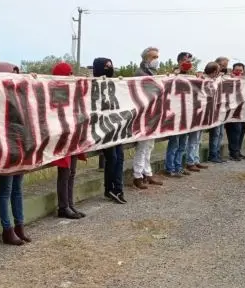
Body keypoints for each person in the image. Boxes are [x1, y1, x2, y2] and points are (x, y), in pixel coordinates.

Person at [0, 61, 32, 245]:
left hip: (19, 147)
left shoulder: (19, 95)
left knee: (17, 190)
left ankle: (19, 226)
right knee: (6, 190)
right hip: (6, 149)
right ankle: (7, 229)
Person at [50, 62, 89, 218]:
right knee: (65, 172)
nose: (71, 76)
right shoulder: (56, 93)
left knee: (71, 172)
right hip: (63, 137)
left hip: (72, 136)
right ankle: (63, 206)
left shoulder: (71, 91)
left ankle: (70, 204)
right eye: (69, 73)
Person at [94, 57, 127, 204]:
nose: (110, 68)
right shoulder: (94, 85)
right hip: (103, 127)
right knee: (112, 157)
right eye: (107, 66)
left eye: (111, 65)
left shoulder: (115, 84)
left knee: (119, 156)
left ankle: (118, 189)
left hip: (116, 126)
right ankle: (109, 188)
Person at [132, 47, 164, 189]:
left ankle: (147, 172)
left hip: (153, 114)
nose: (156, 60)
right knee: (143, 146)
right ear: (146, 59)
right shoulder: (140, 73)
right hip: (143, 115)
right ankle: (137, 175)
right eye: (153, 57)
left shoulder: (153, 73)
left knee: (149, 146)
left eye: (157, 56)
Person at [164, 52, 193, 178]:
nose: (188, 63)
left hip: (186, 116)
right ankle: (170, 168)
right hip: (175, 115)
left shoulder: (190, 77)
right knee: (174, 144)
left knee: (182, 144)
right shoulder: (173, 74)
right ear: (180, 61)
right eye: (186, 60)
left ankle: (178, 166)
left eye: (189, 60)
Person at [185, 63, 218, 172]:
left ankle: (196, 160)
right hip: (197, 113)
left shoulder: (211, 81)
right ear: (214, 71)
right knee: (193, 139)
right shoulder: (201, 79)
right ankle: (190, 161)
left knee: (198, 139)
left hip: (203, 113)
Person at [207, 57, 230, 163]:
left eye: (225, 66)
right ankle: (213, 154)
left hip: (222, 109)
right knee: (215, 133)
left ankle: (217, 153)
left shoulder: (224, 77)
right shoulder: (212, 77)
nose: (223, 68)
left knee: (220, 133)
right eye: (222, 66)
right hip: (214, 110)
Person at [224, 62, 245, 161]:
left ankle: (238, 150)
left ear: (243, 71)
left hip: (243, 111)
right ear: (233, 70)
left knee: (242, 131)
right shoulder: (228, 79)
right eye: (236, 70)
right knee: (234, 131)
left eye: (240, 70)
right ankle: (233, 152)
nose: (238, 72)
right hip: (232, 111)